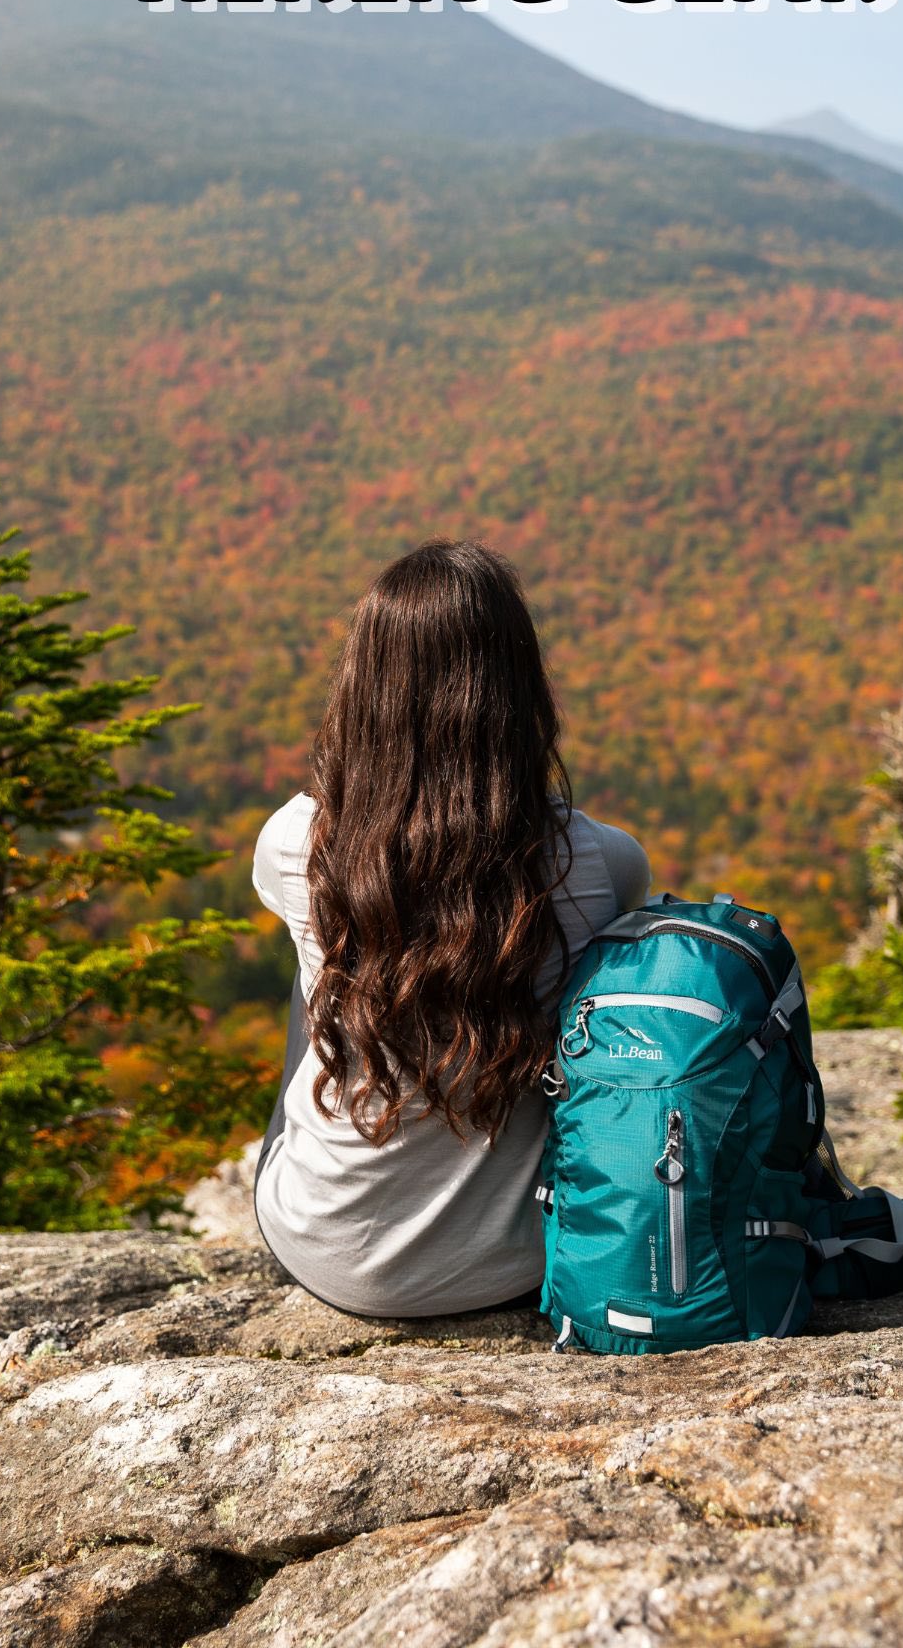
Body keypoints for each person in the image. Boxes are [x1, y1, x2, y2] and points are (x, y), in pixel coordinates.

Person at [251, 539, 650, 1317]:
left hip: (324, 1248)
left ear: (362, 689)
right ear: (518, 693)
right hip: (514, 1261)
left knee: (321, 983)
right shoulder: (605, 863)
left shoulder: (295, 844)